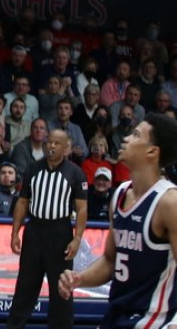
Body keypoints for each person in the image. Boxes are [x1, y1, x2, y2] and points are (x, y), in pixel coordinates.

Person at [59, 113, 177, 327]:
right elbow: (111, 260)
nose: (126, 139)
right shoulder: (121, 193)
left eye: (135, 135)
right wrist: (80, 278)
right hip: (117, 312)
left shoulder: (169, 202)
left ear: (152, 151)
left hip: (151, 318)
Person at [7, 128, 87, 329]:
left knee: (61, 288)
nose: (51, 146)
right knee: (25, 286)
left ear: (66, 147)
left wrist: (77, 239)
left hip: (60, 232)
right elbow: (23, 202)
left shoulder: (75, 172)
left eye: (56, 143)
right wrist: (15, 232)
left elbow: (82, 207)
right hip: (34, 230)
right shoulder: (33, 169)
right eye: (49, 142)